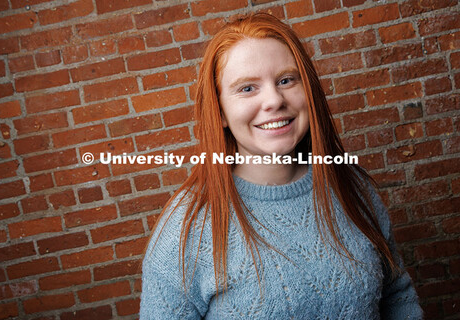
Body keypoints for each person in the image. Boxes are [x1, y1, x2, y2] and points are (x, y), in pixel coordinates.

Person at [139, 13, 423, 319]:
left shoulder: (351, 186)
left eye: (286, 80)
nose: (274, 99)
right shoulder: (186, 229)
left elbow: (397, 295)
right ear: (219, 111)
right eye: (247, 88)